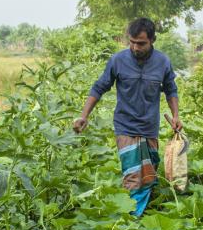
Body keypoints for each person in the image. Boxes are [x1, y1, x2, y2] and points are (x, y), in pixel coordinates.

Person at [73, 18, 182, 217]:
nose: (135, 47)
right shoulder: (117, 60)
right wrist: (83, 115)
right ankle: (130, 219)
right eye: (131, 42)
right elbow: (99, 87)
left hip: (150, 127)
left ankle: (141, 212)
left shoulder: (163, 62)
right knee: (133, 176)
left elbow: (170, 89)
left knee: (148, 175)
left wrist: (175, 115)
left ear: (152, 40)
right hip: (125, 126)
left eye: (141, 43)